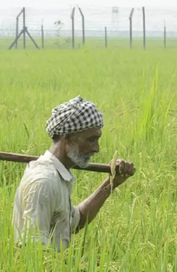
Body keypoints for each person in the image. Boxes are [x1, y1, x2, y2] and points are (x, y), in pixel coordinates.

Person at [12, 95, 136, 251]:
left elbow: (76, 222)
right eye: (91, 139)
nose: (96, 148)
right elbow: (32, 251)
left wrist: (111, 183)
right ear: (68, 138)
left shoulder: (57, 176)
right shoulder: (44, 183)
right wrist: (78, 269)